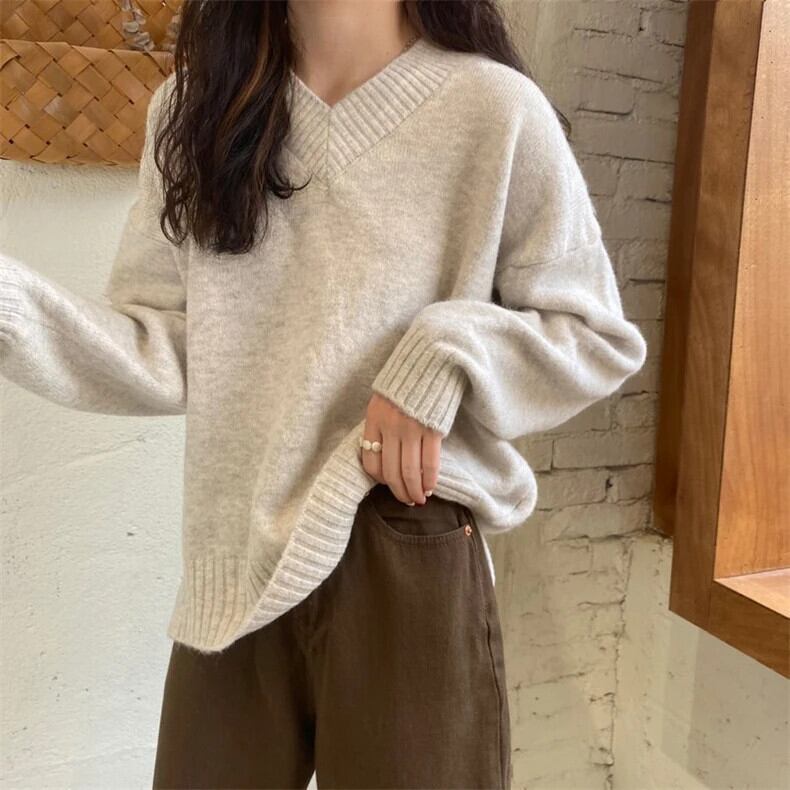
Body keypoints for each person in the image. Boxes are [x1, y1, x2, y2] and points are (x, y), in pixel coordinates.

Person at [0, 1, 648, 787]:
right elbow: (168, 347)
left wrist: (442, 355)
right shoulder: (195, 108)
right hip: (233, 563)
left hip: (405, 545)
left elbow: (593, 336)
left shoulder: (494, 109)